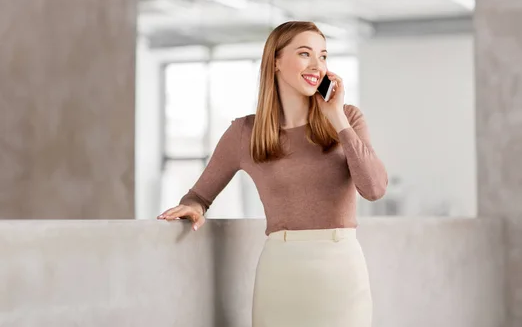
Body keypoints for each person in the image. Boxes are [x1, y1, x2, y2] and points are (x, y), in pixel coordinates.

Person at [157, 21, 388, 327]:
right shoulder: (245, 133)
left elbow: (374, 188)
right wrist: (192, 207)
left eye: (323, 56)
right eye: (305, 54)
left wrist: (337, 118)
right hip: (280, 271)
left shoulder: (349, 118)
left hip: (340, 270)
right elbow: (199, 195)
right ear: (276, 62)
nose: (317, 65)